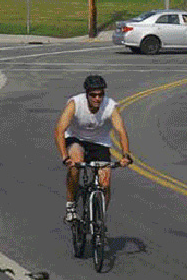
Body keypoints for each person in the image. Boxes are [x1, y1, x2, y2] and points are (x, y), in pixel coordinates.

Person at [54, 75, 133, 223]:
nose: (97, 98)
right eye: (93, 95)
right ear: (87, 94)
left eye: (101, 95)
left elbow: (121, 131)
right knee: (76, 161)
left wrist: (126, 155)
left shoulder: (110, 106)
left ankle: (100, 216)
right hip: (76, 138)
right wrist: (65, 157)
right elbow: (59, 130)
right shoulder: (75, 104)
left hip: (99, 143)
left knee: (105, 182)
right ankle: (71, 206)